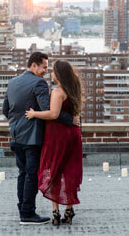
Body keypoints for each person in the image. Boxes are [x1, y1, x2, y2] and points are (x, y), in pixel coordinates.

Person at [2, 52, 78, 225]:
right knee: (32, 175)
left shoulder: (13, 82)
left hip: (15, 135)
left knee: (23, 174)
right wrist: (71, 120)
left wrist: (18, 122)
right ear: (34, 65)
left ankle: (23, 208)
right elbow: (51, 111)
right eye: (44, 67)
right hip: (32, 137)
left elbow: (5, 110)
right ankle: (28, 214)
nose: (46, 71)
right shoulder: (39, 83)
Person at [25, 60, 83, 226]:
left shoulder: (58, 92)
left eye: (53, 71)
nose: (51, 73)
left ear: (58, 74)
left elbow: (53, 114)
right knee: (69, 170)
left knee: (53, 169)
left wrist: (34, 114)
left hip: (58, 135)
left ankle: (55, 211)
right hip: (73, 134)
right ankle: (69, 209)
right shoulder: (74, 89)